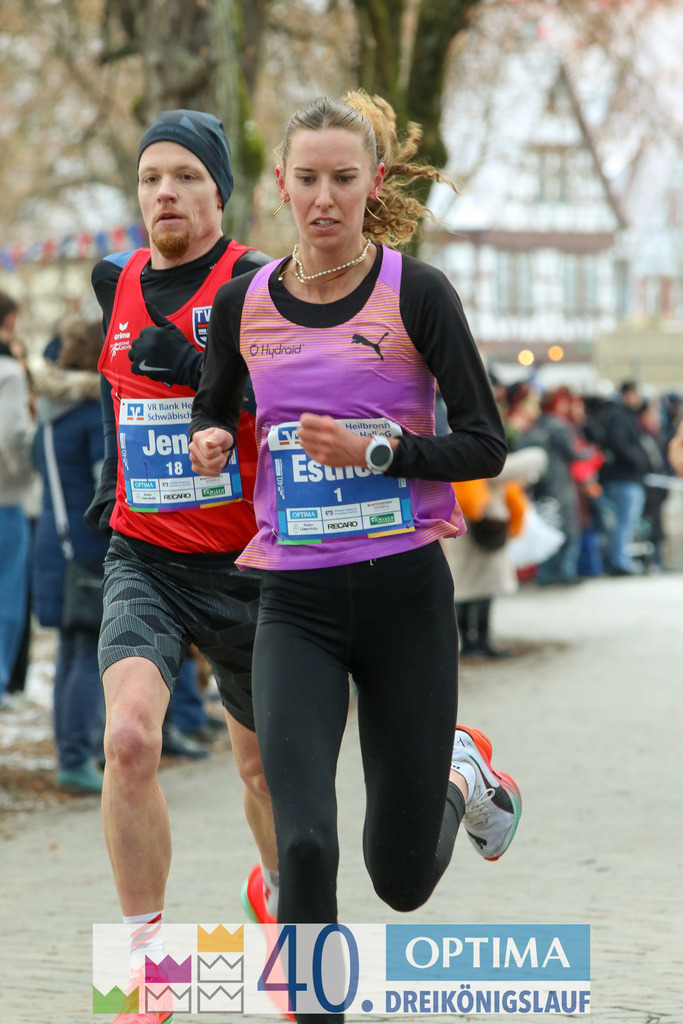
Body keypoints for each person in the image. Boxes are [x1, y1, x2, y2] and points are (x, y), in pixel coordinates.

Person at [190, 91, 522, 1023]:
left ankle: (461, 773)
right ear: (281, 185)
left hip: (404, 601)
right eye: (307, 179)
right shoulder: (243, 303)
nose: (324, 197)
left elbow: (485, 445)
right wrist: (211, 438)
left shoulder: (417, 293)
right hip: (294, 605)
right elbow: (215, 404)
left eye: (343, 178)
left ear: (373, 183)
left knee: (401, 880)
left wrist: (380, 450)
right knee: (302, 847)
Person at [86, 109, 278, 1023]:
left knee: (264, 774)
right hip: (146, 556)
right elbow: (117, 391)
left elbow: (290, 408)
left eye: (186, 176)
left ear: (218, 192)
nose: (164, 191)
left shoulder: (256, 282)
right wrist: (107, 481)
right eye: (150, 177)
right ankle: (146, 971)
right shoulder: (116, 280)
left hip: (248, 563)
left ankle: (279, 907)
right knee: (128, 740)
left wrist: (202, 365)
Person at [31, 317, 109, 791]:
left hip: (52, 543)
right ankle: (78, 757)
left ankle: (71, 751)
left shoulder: (49, 415)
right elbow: (106, 483)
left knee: (70, 649)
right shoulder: (89, 413)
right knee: (89, 652)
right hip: (86, 547)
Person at [0, 291, 35, 707]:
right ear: (10, 322)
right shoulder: (9, 371)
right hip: (6, 497)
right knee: (8, 594)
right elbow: (11, 436)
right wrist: (28, 474)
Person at [597, 380, 650, 575]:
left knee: (626, 522)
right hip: (623, 477)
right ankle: (619, 562)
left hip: (628, 477)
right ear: (627, 394)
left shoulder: (624, 415)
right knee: (624, 522)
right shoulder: (618, 416)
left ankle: (621, 560)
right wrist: (638, 460)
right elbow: (620, 445)